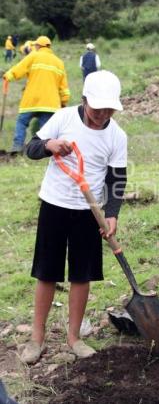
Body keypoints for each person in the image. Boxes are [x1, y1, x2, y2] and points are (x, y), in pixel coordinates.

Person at [22, 70, 127, 364]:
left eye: (109, 109)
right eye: (97, 108)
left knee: (82, 274)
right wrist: (48, 146)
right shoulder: (63, 118)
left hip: (88, 213)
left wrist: (111, 214)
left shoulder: (117, 135)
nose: (102, 114)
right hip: (54, 205)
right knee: (47, 271)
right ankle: (37, 338)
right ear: (84, 100)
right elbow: (30, 148)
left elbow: (117, 178)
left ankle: (74, 338)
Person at [3, 35, 70, 154]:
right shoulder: (59, 62)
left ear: (38, 46)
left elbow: (19, 69)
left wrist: (8, 76)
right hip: (50, 103)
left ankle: (17, 147)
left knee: (22, 123)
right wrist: (64, 101)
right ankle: (43, 151)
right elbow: (63, 87)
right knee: (45, 129)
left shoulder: (33, 56)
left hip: (31, 101)